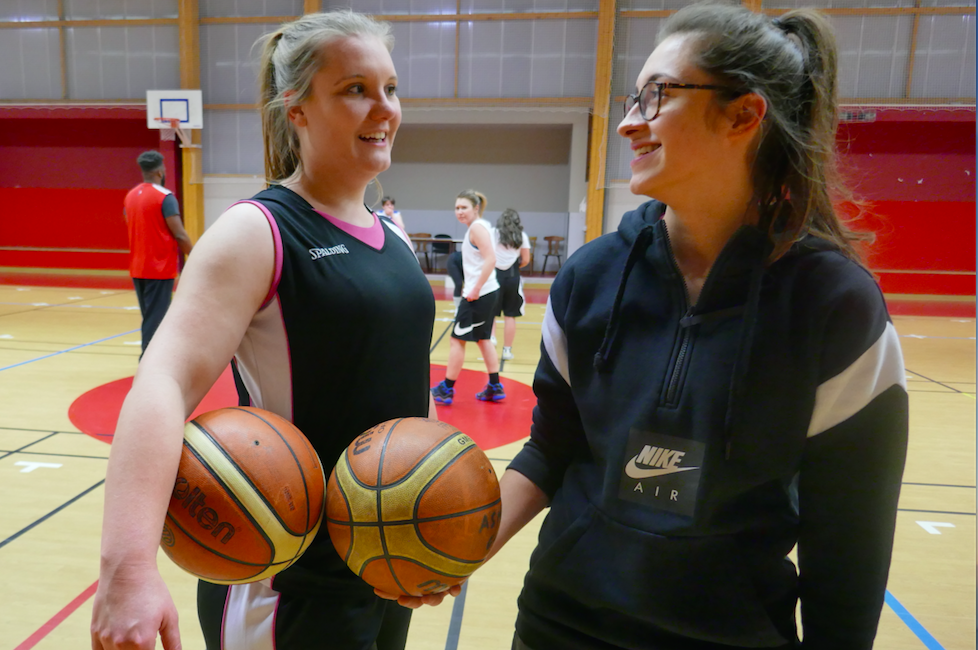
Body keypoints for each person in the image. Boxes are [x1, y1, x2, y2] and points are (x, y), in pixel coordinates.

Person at [489, 5, 908, 650]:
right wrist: (456, 549)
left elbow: (849, 546)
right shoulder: (592, 276)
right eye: (635, 97)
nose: (629, 122)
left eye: (657, 96)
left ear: (743, 115)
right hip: (560, 625)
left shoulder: (835, 308)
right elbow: (553, 447)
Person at [91, 11, 456, 650]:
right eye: (355, 89)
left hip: (382, 570)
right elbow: (162, 382)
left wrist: (430, 517)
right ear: (297, 111)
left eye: (391, 88)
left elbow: (402, 394)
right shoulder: (256, 231)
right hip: (285, 582)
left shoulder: (393, 234)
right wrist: (127, 567)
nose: (384, 108)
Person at [430, 190, 505, 404]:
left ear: (476, 208)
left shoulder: (477, 228)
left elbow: (491, 259)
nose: (460, 211)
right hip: (487, 292)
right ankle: (494, 385)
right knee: (483, 339)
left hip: (478, 295)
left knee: (456, 340)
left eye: (464, 207)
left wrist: (475, 289)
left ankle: (446, 389)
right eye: (457, 208)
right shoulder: (479, 227)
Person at [123, 150, 193, 358]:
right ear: (160, 171)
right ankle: (148, 360)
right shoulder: (165, 197)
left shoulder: (130, 196)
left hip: (138, 268)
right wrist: (196, 256)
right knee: (156, 319)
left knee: (150, 316)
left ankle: (152, 357)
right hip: (159, 267)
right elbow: (179, 234)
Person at [493, 208, 531, 361]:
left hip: (494, 276)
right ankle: (507, 351)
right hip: (512, 276)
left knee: (491, 314)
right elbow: (526, 260)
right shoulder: (522, 236)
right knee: (510, 316)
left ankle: (491, 342)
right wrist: (514, 266)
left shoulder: (493, 233)